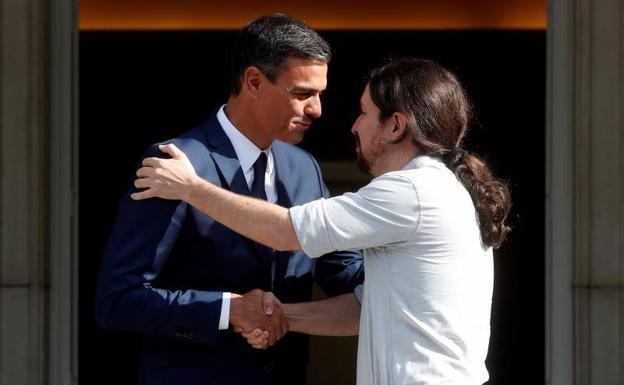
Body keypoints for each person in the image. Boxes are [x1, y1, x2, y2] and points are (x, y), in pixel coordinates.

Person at [131, 58, 512, 385]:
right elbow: (362, 308)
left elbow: (284, 230)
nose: (353, 126)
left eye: (363, 113)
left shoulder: (410, 191)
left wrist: (192, 187)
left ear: (396, 126)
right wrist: (274, 316)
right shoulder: (439, 188)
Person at [95, 14, 363, 385]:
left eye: (320, 95)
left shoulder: (305, 168)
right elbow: (119, 300)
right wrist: (227, 310)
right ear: (253, 81)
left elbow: (344, 271)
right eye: (302, 94)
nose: (317, 110)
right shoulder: (174, 163)